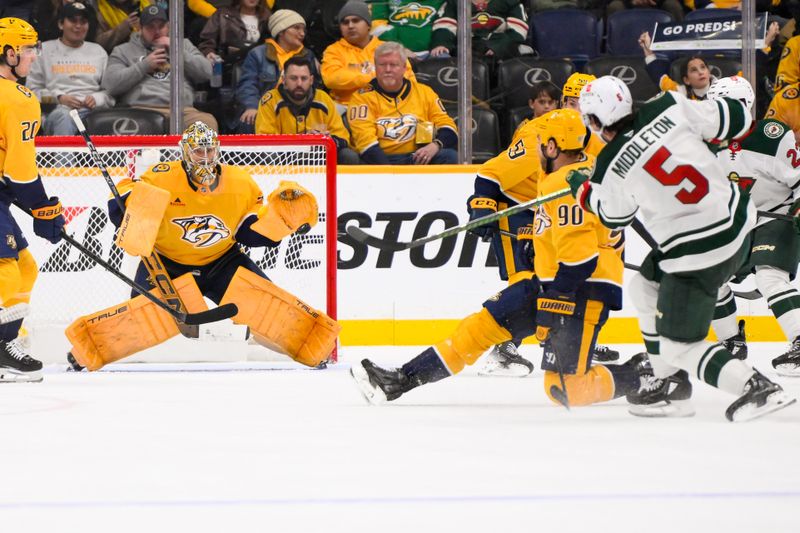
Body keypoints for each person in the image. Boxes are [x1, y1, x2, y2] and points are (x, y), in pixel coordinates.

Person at [350, 109, 643, 407]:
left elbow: (581, 260)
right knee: (479, 328)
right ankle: (402, 379)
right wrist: (539, 247)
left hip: (579, 292)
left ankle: (645, 374)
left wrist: (554, 301)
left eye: (541, 143)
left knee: (567, 389)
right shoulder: (571, 174)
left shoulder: (565, 185)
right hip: (550, 283)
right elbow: (574, 234)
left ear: (553, 147)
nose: (538, 148)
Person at [566, 75, 794, 422]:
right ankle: (668, 383)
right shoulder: (668, 105)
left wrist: (583, 190)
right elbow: (737, 118)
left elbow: (615, 217)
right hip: (737, 222)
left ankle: (756, 387)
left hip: (695, 251)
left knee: (679, 345)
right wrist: (709, 141)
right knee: (644, 288)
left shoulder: (609, 164)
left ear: (594, 122)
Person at [65, 122, 340, 372]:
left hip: (222, 261)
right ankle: (83, 353)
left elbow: (248, 233)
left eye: (210, 150)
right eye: (198, 151)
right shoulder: (162, 176)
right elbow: (120, 204)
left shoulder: (240, 182)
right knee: (140, 319)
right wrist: (128, 204)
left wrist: (280, 223)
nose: (205, 157)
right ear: (185, 152)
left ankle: (317, 349)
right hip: (166, 263)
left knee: (267, 308)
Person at [705, 77, 800, 377]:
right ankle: (731, 342)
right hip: (738, 223)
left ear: (745, 106)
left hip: (776, 215)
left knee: (769, 276)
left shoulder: (773, 136)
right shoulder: (704, 142)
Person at [0, 18, 67, 382]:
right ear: (9, 53)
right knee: (7, 270)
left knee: (24, 267)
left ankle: (3, 346)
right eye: (28, 49)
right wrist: (43, 209)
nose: (33, 56)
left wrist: (39, 208)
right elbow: (21, 172)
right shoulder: (18, 99)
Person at [101, 4, 218, 130]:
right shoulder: (123, 50)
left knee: (207, 124)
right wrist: (144, 66)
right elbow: (110, 85)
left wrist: (177, 50)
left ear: (168, 26)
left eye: (161, 26)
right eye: (150, 27)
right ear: (140, 28)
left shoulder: (184, 45)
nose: (157, 31)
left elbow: (207, 73)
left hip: (182, 111)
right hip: (140, 110)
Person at [347, 41, 457, 165]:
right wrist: (392, 172)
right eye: (382, 64)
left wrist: (435, 146)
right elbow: (366, 144)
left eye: (393, 65)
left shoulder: (424, 92)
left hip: (418, 156)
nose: (388, 70)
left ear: (404, 67)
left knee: (450, 156)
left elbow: (448, 126)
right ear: (375, 67)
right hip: (379, 159)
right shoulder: (360, 98)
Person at [26, 2, 114, 136]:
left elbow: (111, 92)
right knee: (64, 116)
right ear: (61, 24)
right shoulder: (43, 49)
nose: (78, 26)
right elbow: (31, 92)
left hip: (92, 111)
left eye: (83, 22)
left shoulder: (99, 51)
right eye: (73, 21)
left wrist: (96, 99)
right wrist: (58, 97)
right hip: (57, 110)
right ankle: (66, 151)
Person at [255, 55, 359, 164]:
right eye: (293, 78)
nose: (299, 83)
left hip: (317, 156)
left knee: (348, 155)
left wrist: (327, 140)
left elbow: (343, 137)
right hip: (284, 158)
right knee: (268, 154)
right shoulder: (270, 100)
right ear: (284, 80)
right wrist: (302, 140)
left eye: (304, 78)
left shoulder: (323, 98)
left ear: (311, 80)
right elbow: (264, 141)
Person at [235, 9, 317, 133]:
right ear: (281, 31)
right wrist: (252, 106)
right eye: (296, 28)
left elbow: (315, 88)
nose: (302, 34)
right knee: (249, 120)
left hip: (299, 109)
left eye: (303, 29)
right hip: (267, 108)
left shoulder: (308, 55)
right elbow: (248, 85)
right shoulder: (258, 54)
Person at [321, 1, 416, 108]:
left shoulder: (388, 49)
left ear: (368, 25)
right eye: (345, 22)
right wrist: (373, 78)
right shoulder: (333, 50)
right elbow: (331, 78)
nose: (350, 26)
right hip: (346, 106)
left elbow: (408, 78)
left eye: (356, 20)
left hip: (386, 106)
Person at [430, 0, 529, 61]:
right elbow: (445, 25)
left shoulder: (510, 2)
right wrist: (441, 43)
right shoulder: (454, 3)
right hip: (466, 49)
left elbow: (518, 31)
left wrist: (498, 47)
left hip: (501, 49)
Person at [368, 0, 446, 61]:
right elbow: (377, 26)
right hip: (392, 51)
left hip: (431, 54)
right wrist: (398, 48)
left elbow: (444, 22)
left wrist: (440, 43)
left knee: (445, 60)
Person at [198, 0, 271, 66]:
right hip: (228, 65)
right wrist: (209, 53)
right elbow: (207, 41)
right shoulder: (223, 14)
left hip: (259, 67)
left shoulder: (268, 18)